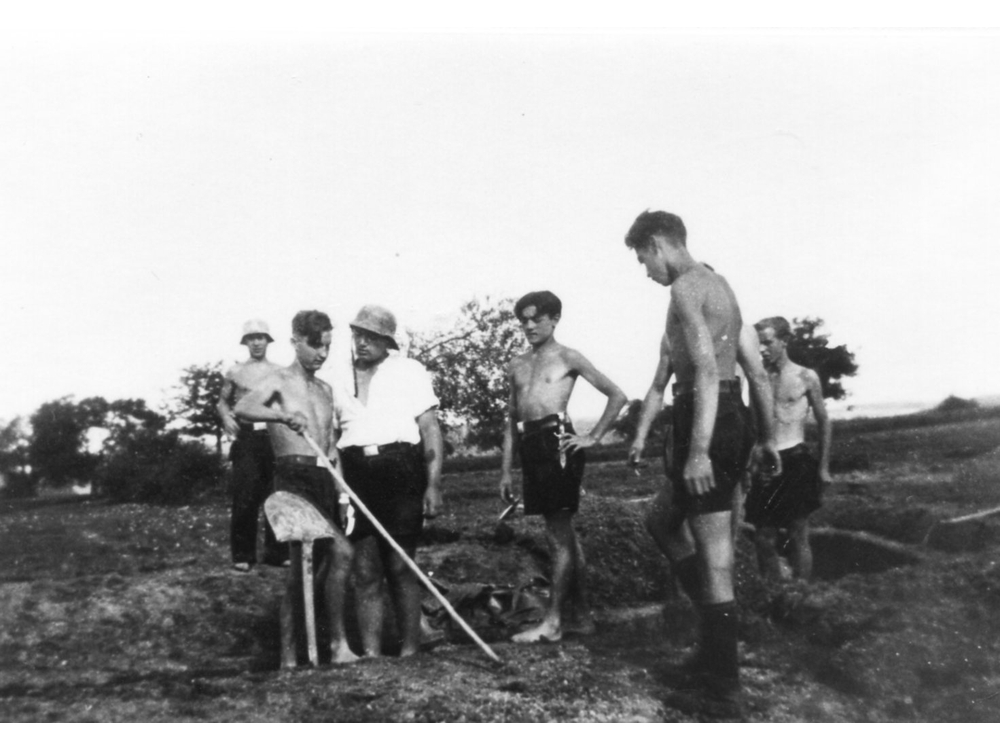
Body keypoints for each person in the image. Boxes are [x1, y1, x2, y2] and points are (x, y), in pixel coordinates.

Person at [623, 210, 780, 697]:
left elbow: (710, 373)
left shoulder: (686, 287)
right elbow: (751, 375)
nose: (646, 270)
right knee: (662, 521)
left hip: (707, 419)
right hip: (724, 417)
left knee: (715, 556)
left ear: (658, 244)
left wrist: (698, 453)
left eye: (643, 258)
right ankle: (716, 644)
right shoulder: (721, 284)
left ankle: (722, 685)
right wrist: (768, 437)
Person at [500, 291, 628, 644]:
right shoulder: (516, 364)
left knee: (557, 535)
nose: (528, 326)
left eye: (535, 319)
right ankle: (581, 616)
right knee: (562, 534)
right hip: (529, 445)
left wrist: (593, 437)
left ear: (554, 319)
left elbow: (617, 395)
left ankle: (553, 621)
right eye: (523, 320)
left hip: (558, 443)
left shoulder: (568, 356)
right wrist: (505, 470)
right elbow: (510, 418)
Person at [234, 310, 358, 667]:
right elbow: (243, 407)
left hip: (323, 478)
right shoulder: (279, 381)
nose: (322, 353)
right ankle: (310, 651)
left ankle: (320, 648)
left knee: (320, 564)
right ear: (295, 342)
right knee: (329, 558)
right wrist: (281, 415)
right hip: (293, 477)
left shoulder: (325, 389)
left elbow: (331, 447)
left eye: (327, 346)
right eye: (315, 344)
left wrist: (343, 493)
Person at [334, 304, 443, 658]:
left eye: (371, 337)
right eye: (357, 335)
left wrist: (433, 484)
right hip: (354, 472)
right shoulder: (337, 376)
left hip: (400, 470)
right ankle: (371, 654)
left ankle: (411, 649)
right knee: (365, 570)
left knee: (400, 565)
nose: (361, 343)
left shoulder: (409, 371)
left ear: (387, 342)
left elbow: (429, 429)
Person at [745, 316, 832, 580]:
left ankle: (802, 595)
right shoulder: (757, 379)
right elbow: (753, 422)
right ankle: (774, 594)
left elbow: (824, 421)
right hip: (767, 464)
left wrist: (824, 467)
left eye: (768, 342)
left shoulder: (805, 376)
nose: (762, 349)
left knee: (798, 533)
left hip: (796, 459)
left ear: (784, 341)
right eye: (758, 344)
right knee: (763, 537)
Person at [217, 319, 284, 571]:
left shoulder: (280, 371)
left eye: (261, 337)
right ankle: (243, 555)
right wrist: (225, 417)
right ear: (245, 342)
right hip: (247, 438)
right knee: (245, 496)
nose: (257, 342)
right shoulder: (235, 372)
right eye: (251, 338)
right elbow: (222, 402)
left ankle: (277, 552)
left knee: (275, 495)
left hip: (274, 436)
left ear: (268, 341)